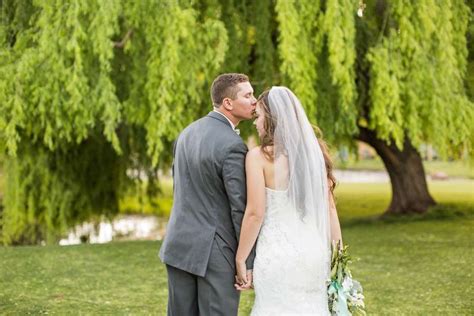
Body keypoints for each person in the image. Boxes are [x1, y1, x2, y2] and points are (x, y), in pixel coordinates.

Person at [234, 86, 343, 315]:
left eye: (259, 116)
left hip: (277, 257)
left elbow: (255, 213)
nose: (256, 122)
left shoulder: (258, 157)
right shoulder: (315, 156)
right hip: (314, 254)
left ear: (272, 119)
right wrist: (339, 257)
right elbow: (330, 209)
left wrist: (241, 258)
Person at [159, 73, 257, 315]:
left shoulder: (186, 134)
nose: (254, 101)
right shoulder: (233, 145)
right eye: (248, 95)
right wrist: (248, 260)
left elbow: (182, 188)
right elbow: (240, 208)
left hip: (178, 245)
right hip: (215, 252)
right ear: (228, 103)